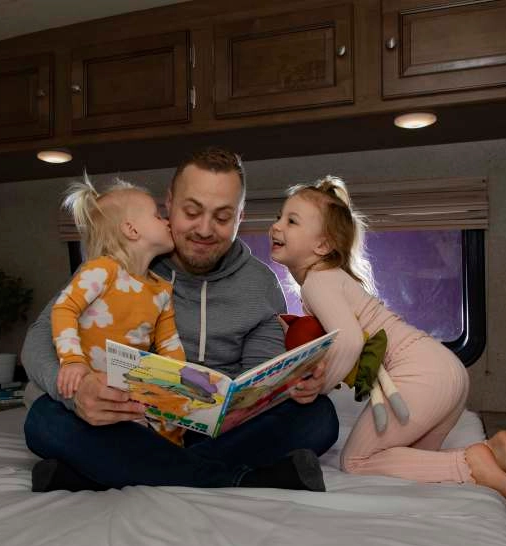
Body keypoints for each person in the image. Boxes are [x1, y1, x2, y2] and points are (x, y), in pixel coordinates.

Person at [22, 148, 338, 493]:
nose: (204, 229)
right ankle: (240, 479)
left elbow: (259, 377)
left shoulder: (259, 284)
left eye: (222, 217)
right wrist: (78, 393)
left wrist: (291, 381)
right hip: (133, 421)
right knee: (43, 420)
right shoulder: (126, 262)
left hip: (223, 431)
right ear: (169, 204)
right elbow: (39, 339)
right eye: (191, 211)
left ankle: (99, 472)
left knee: (319, 416)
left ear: (240, 216)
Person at [268, 175, 506, 512]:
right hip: (443, 369)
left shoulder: (318, 282)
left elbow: (348, 343)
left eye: (291, 221)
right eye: (278, 216)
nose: (277, 226)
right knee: (412, 461)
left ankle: (469, 466)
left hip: (419, 375)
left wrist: (320, 388)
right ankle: (496, 452)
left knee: (358, 461)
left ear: (322, 246)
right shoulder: (332, 280)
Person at [51, 175, 185, 445]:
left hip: (133, 388)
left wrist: (179, 382)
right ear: (131, 229)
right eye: (158, 216)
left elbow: (170, 344)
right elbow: (63, 309)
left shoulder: (161, 289)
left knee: (160, 431)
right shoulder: (102, 270)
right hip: (98, 390)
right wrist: (72, 360)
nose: (167, 221)